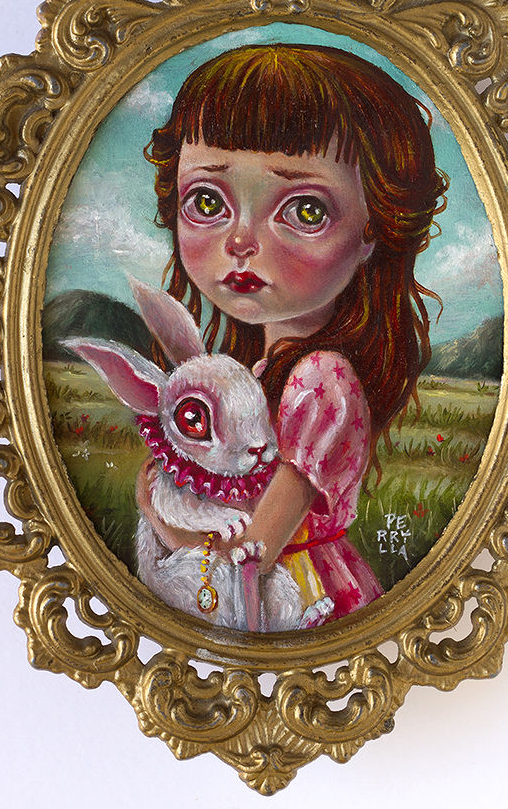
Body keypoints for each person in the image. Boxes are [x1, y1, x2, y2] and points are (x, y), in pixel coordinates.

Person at [136, 43, 447, 623]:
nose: (241, 241)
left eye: (305, 211)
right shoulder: (257, 371)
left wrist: (159, 519)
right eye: (207, 201)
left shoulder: (319, 379)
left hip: (300, 597)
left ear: (374, 230)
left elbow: (251, 555)